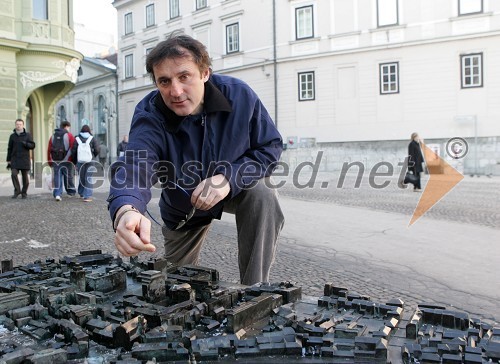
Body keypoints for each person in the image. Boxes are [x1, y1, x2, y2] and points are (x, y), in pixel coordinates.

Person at [108, 33, 284, 286]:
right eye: (164, 81)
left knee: (264, 191)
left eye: (184, 76)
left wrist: (227, 179)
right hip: (184, 208)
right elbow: (136, 165)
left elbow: (270, 147)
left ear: (204, 73)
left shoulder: (240, 96)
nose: (176, 91)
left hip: (234, 188)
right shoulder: (150, 113)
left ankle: (255, 290)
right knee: (175, 284)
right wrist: (126, 209)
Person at [47, 120, 76, 201]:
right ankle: (71, 191)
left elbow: (49, 149)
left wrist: (50, 161)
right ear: (66, 126)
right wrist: (73, 160)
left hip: (55, 160)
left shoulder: (53, 136)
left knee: (57, 177)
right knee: (68, 176)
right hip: (67, 160)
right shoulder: (69, 135)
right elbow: (73, 148)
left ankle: (57, 193)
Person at [6, 119, 35, 199]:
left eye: (20, 124)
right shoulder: (12, 136)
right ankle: (17, 190)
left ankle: (24, 192)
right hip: (14, 158)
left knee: (25, 177)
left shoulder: (27, 135)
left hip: (24, 159)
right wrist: (8, 160)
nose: (18, 126)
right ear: (15, 125)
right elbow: (9, 148)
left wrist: (26, 144)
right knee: (14, 174)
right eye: (17, 124)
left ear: (23, 125)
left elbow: (33, 145)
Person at [72, 124, 100, 202]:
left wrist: (74, 161)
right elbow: (97, 149)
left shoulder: (76, 138)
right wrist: (93, 155)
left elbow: (73, 151)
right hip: (90, 161)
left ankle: (81, 193)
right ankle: (87, 196)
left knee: (82, 177)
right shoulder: (92, 138)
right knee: (89, 177)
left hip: (80, 161)